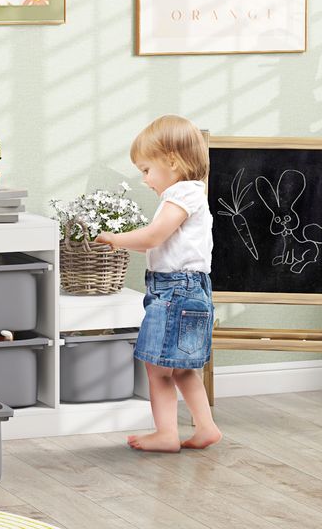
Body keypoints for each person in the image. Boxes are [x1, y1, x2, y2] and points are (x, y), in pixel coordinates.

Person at [95, 115, 221, 453]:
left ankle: (166, 433)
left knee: (157, 369)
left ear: (172, 162)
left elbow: (153, 236)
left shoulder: (180, 195)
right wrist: (122, 241)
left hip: (175, 291)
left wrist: (115, 238)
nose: (144, 179)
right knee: (182, 369)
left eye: (146, 169)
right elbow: (154, 242)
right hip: (191, 288)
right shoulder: (193, 193)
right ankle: (206, 427)